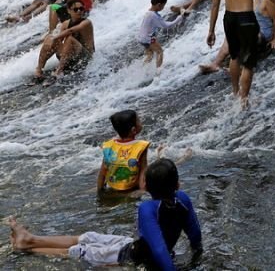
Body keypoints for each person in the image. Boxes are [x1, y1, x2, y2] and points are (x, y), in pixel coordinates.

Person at [7, 158, 202, 270]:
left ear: (146, 187)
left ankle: (27, 247)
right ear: (177, 184)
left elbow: (159, 250)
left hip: (128, 258)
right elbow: (194, 234)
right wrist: (197, 256)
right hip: (131, 247)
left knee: (77, 251)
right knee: (89, 237)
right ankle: (31, 238)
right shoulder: (183, 199)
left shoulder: (148, 209)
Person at [199, 0, 275, 74]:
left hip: (265, 33)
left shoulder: (267, 0)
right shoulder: (256, 0)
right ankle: (215, 64)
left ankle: (242, 66)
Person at [34, 0, 94, 79]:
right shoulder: (65, 24)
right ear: (69, 11)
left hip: (85, 58)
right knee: (49, 38)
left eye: (81, 9)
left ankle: (59, 70)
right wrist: (51, 41)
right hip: (70, 57)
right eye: (76, 9)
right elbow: (58, 41)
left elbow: (71, 30)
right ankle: (39, 70)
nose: (79, 11)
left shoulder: (87, 22)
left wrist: (54, 38)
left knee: (69, 39)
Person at [98, 110, 150, 193]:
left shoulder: (110, 145)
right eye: (138, 120)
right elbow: (143, 169)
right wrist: (142, 190)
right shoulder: (141, 146)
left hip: (112, 186)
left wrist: (100, 189)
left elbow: (103, 170)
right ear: (133, 130)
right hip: (131, 187)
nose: (141, 122)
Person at [139, 0, 187, 68]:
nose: (163, 7)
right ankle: (158, 72)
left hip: (141, 38)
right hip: (148, 38)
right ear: (159, 5)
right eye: (163, 6)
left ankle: (143, 69)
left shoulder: (148, 12)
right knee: (160, 52)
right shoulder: (153, 15)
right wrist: (180, 17)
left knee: (150, 55)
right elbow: (167, 25)